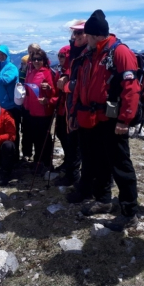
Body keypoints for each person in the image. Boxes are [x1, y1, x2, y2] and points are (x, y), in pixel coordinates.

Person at [69, 10, 140, 231]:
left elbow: (131, 89)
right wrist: (73, 114)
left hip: (111, 121)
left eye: (86, 35)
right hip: (91, 119)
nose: (82, 39)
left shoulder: (119, 52)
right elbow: (81, 87)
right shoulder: (92, 54)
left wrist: (124, 120)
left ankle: (129, 212)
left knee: (120, 164)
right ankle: (103, 200)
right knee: (97, 161)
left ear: (95, 35)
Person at [54, 21, 87, 187]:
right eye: (74, 33)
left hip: (83, 108)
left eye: (80, 32)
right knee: (73, 143)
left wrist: (67, 84)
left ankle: (79, 178)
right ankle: (73, 175)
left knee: (80, 145)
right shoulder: (77, 53)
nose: (76, 36)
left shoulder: (86, 54)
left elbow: (82, 83)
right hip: (73, 108)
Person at [23, 49, 55, 174]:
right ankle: (38, 161)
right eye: (34, 59)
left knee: (44, 138)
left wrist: (48, 91)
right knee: (36, 137)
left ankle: (46, 163)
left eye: (39, 59)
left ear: (44, 60)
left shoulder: (47, 72)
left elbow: (53, 92)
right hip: (32, 110)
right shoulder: (31, 72)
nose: (36, 61)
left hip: (44, 111)